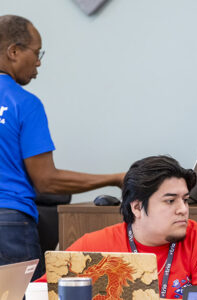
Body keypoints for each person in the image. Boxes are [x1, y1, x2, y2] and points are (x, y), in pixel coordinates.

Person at [0, 15, 124, 280]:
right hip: (9, 225)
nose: (39, 61)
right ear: (13, 52)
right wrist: (115, 178)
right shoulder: (24, 102)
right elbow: (46, 181)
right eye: (36, 52)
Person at [37, 155, 197, 298]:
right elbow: (40, 293)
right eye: (170, 201)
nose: (183, 209)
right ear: (137, 207)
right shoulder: (93, 246)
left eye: (185, 199)